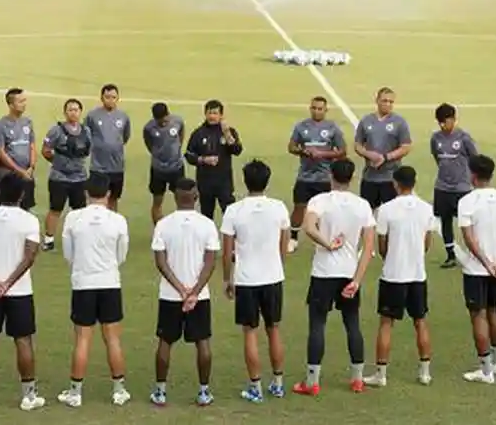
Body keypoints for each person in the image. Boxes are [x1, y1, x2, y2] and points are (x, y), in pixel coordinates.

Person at [294, 159, 376, 396]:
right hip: (349, 273)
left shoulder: (319, 201)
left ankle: (312, 381)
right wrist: (357, 280)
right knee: (352, 323)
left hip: (323, 273)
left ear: (331, 175)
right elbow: (369, 247)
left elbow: (308, 227)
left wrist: (327, 244)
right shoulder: (362, 206)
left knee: (317, 324)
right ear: (352, 177)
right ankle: (358, 379)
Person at [0, 174, 45, 411]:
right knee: (23, 340)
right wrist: (9, 283)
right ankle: (28, 395)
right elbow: (30, 256)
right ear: (22, 195)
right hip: (19, 292)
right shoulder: (29, 221)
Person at [57, 173, 131, 408]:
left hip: (83, 284)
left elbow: (69, 254)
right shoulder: (118, 220)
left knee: (82, 339)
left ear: (86, 193)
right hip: (109, 282)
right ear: (108, 194)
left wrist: (81, 267)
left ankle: (75, 392)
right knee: (112, 339)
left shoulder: (73, 218)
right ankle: (119, 390)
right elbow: (122, 255)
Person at [221, 160, 291, 402]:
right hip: (272, 277)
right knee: (274, 329)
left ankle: (255, 387)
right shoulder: (279, 208)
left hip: (247, 279)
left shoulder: (234, 210)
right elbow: (284, 245)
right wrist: (277, 266)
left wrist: (226, 279)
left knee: (250, 332)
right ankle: (278, 383)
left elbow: (227, 250)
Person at [150, 178, 220, 407]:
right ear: (196, 196)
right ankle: (203, 392)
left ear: (175, 196)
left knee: (165, 342)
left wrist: (180, 289)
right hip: (199, 297)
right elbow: (210, 262)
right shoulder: (207, 224)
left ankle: (160, 392)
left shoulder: (163, 224)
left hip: (170, 295)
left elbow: (161, 263)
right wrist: (194, 292)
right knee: (203, 342)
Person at [364, 166, 435, 388]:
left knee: (386, 323)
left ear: (395, 183)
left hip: (393, 274)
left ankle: (381, 374)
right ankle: (425, 372)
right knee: (420, 321)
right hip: (417, 274)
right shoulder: (426, 208)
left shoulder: (385, 210)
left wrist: (392, 257)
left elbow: (382, 245)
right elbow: (426, 243)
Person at [457, 154, 496, 385]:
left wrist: (485, 263)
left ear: (473, 175)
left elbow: (469, 238)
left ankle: (485, 369)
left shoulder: (467, 202)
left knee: (478, 315)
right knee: (493, 310)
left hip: (476, 270)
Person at [287, 97, 347, 253]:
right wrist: (303, 151)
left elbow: (342, 151)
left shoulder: (333, 128)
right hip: (305, 176)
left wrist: (322, 154)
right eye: (314, 108)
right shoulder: (301, 126)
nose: (317, 111)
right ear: (310, 108)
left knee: (326, 209)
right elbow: (291, 147)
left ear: (325, 110)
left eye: (320, 109)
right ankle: (293, 237)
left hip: (325, 177)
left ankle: (323, 238)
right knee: (299, 207)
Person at [428, 103, 477, 269]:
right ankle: (450, 255)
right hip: (442, 187)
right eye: (440, 122)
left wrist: (468, 178)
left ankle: (474, 252)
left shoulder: (464, 138)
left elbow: (474, 158)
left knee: (467, 222)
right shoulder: (436, 138)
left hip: (462, 189)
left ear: (454, 119)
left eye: (446, 121)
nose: (443, 125)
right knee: (445, 221)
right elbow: (437, 157)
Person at [42, 98, 93, 251]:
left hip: (79, 177)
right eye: (70, 109)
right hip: (59, 177)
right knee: (55, 208)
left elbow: (87, 150)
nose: (73, 112)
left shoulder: (86, 131)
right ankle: (49, 239)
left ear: (80, 112)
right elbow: (45, 150)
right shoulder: (56, 131)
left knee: (79, 211)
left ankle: (77, 238)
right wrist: (57, 162)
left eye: (76, 109)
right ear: (65, 112)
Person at [353, 88, 413, 211]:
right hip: (369, 177)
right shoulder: (366, 121)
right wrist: (368, 154)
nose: (388, 104)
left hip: (391, 179)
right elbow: (357, 145)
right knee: (367, 214)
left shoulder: (399, 122)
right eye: (384, 101)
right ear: (377, 101)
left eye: (391, 102)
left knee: (392, 214)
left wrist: (385, 158)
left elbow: (406, 147)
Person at [184, 100, 244, 220]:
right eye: (209, 113)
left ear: (221, 115)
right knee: (206, 217)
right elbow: (189, 155)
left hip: (224, 183)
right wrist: (203, 160)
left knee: (230, 216)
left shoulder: (229, 131)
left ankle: (232, 238)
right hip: (205, 183)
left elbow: (237, 150)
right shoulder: (198, 133)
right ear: (205, 114)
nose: (212, 116)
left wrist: (227, 134)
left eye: (215, 113)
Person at [85, 84, 132, 212]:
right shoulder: (92, 115)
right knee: (95, 200)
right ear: (101, 98)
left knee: (113, 199)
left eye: (113, 97)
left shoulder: (123, 116)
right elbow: (86, 135)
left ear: (118, 98)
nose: (110, 100)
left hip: (116, 167)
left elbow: (125, 136)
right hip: (98, 167)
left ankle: (112, 225)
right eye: (107, 97)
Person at [0, 88, 37, 212]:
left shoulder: (28, 122)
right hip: (8, 175)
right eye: (20, 101)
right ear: (11, 104)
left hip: (27, 174)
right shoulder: (1, 125)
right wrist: (18, 170)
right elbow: (1, 152)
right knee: (6, 209)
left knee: (26, 209)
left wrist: (31, 167)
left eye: (25, 100)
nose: (24, 104)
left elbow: (32, 145)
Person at [143, 102, 185, 225]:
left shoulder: (177, 121)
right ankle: (158, 231)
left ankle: (180, 229)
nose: (162, 122)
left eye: (164, 119)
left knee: (181, 200)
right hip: (158, 170)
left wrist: (177, 148)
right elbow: (148, 142)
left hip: (176, 168)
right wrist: (157, 154)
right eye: (159, 120)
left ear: (168, 114)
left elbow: (181, 133)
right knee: (157, 201)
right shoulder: (149, 128)